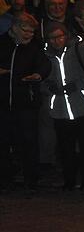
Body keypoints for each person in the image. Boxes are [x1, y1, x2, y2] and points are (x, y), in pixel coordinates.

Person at [42, 22, 84, 190]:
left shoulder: (81, 49)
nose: (56, 41)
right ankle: (69, 180)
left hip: (82, 106)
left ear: (66, 35)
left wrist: (78, 85)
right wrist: (49, 87)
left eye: (59, 36)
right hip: (60, 109)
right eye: (52, 38)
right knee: (65, 147)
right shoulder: (45, 55)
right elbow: (40, 78)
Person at [0, 13, 50, 191]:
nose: (29, 35)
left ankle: (31, 178)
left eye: (31, 32)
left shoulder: (34, 46)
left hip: (26, 103)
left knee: (28, 140)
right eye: (25, 31)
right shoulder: (2, 43)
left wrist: (38, 75)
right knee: (3, 141)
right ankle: (5, 178)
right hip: (3, 102)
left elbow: (45, 64)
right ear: (14, 27)